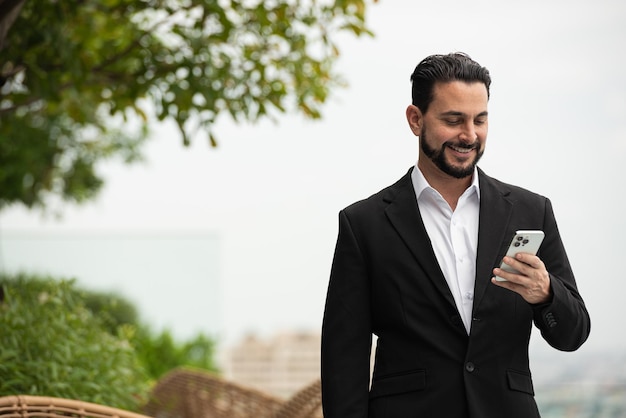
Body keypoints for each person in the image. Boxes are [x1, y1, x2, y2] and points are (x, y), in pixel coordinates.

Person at [320, 52, 590, 418]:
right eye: (453, 120)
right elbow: (343, 358)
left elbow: (572, 335)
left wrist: (545, 294)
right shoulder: (364, 223)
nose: (469, 135)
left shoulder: (532, 210)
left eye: (480, 120)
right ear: (416, 120)